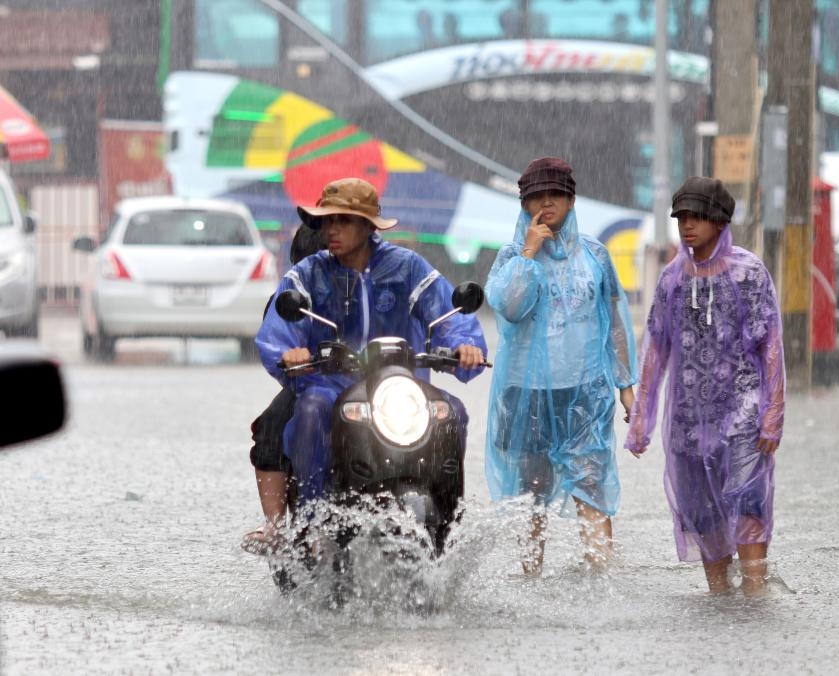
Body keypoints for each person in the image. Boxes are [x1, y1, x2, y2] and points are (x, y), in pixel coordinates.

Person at [246, 178, 487, 550]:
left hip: (398, 384)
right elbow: (280, 331)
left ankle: (448, 522)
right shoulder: (308, 273)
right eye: (327, 221)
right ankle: (312, 525)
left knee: (452, 411)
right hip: (329, 386)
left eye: (343, 220)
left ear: (368, 225)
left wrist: (464, 345)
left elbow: (446, 314)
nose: (332, 229)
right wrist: (289, 352)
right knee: (309, 410)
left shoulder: (408, 267)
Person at [624, 177, 786, 594]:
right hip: (689, 418)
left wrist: (773, 410)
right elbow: (655, 349)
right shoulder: (671, 280)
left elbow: (771, 344)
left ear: (718, 221)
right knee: (701, 512)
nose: (687, 226)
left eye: (697, 217)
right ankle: (721, 599)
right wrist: (641, 416)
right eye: (681, 218)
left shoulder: (749, 273)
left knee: (748, 500)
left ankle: (755, 594)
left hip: (744, 411)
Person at [484, 157, 637, 575]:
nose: (546, 205)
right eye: (537, 198)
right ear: (524, 205)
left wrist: (625, 385)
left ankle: (598, 578)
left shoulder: (595, 255)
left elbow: (615, 322)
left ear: (571, 201)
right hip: (526, 392)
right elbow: (510, 307)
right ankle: (531, 575)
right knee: (532, 493)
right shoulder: (511, 256)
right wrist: (529, 254)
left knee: (591, 487)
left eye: (555, 196)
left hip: (584, 390)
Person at [241, 224, 325, 554]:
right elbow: (274, 343)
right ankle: (274, 526)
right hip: (314, 386)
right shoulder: (291, 297)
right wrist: (291, 358)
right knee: (271, 428)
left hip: (380, 386)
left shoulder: (388, 278)